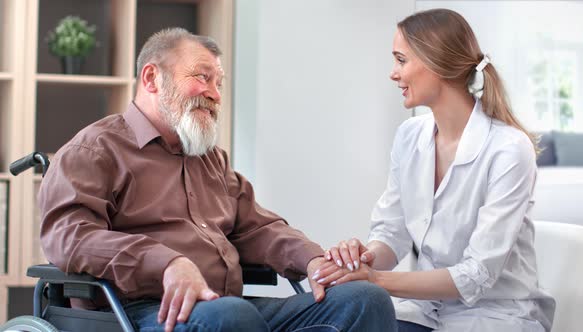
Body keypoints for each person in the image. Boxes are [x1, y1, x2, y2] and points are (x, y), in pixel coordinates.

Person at [38, 28, 397, 332]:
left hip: (225, 308)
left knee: (363, 300)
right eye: (201, 77)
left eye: (219, 82)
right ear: (151, 79)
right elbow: (71, 237)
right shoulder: (95, 150)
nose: (215, 93)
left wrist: (314, 261)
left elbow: (257, 228)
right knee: (231, 315)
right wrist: (166, 263)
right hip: (136, 311)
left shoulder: (208, 157)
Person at [312, 8, 555, 332]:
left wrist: (376, 279)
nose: (393, 73)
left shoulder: (509, 150)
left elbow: (477, 273)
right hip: (427, 314)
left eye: (401, 60)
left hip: (496, 317)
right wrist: (361, 260)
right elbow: (391, 232)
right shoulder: (409, 137)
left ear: (436, 63)